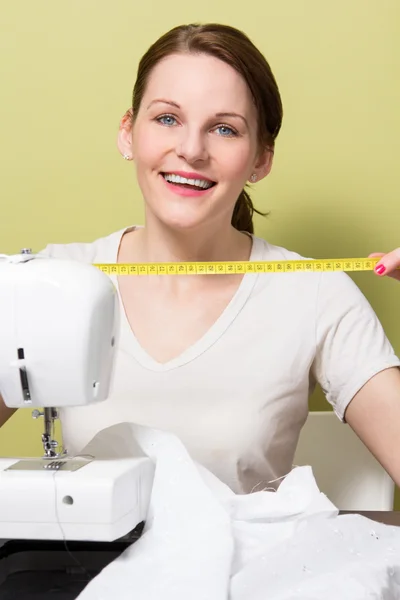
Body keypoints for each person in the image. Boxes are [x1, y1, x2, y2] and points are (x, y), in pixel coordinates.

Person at [1, 23, 400, 494]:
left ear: (260, 159)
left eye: (225, 129)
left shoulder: (316, 292)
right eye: (167, 119)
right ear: (128, 133)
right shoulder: (53, 283)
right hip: (88, 568)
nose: (191, 150)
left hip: (252, 568)